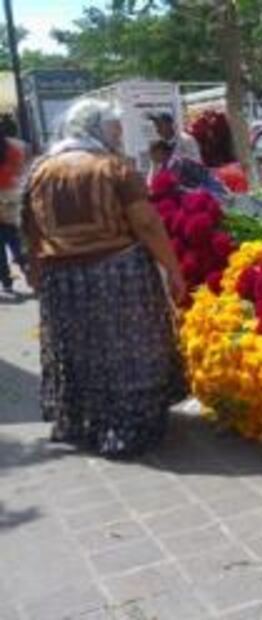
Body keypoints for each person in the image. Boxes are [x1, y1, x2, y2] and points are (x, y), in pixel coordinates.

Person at [21, 99, 187, 457]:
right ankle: (129, 423)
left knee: (82, 352)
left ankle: (88, 421)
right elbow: (146, 224)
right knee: (128, 349)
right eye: (112, 130)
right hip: (117, 275)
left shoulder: (41, 171)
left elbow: (31, 230)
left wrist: (36, 274)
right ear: (95, 129)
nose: (116, 136)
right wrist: (173, 269)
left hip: (62, 281)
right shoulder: (113, 168)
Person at [148, 139, 229, 201]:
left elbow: (204, 177)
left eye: (153, 153)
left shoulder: (178, 162)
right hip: (194, 196)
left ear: (161, 151)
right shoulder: (164, 168)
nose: (152, 157)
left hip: (208, 191)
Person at [0, 134, 28, 294]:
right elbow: (21, 169)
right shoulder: (15, 145)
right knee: (15, 237)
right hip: (12, 194)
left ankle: (6, 282)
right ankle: (29, 272)